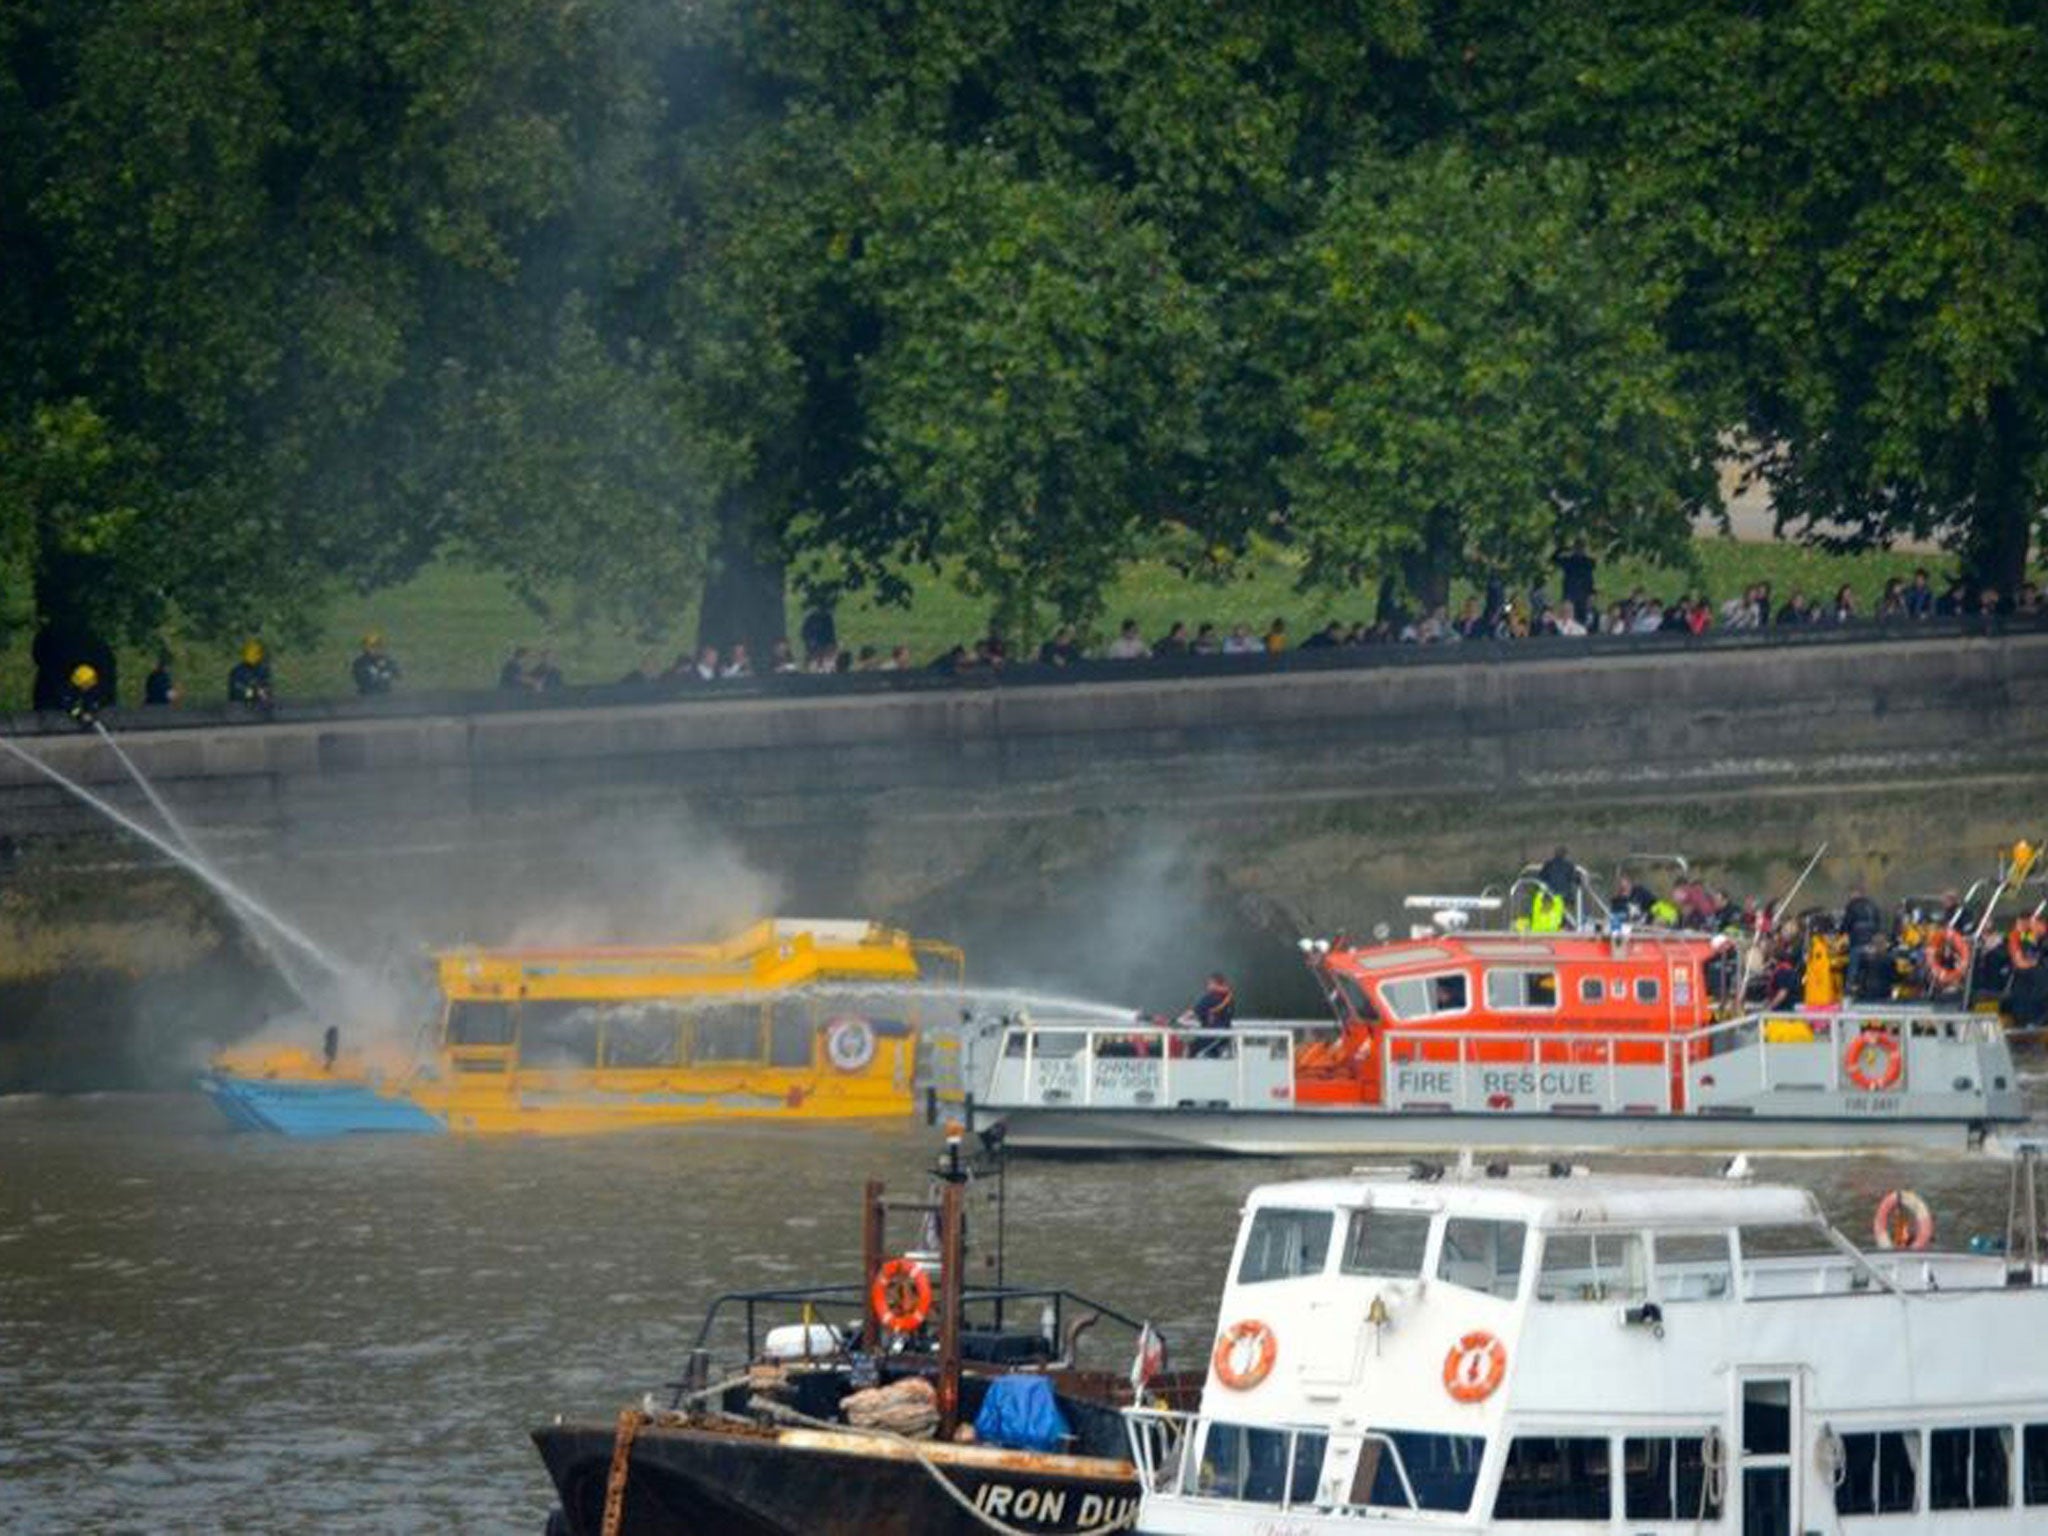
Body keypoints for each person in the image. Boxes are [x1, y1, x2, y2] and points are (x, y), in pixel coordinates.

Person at [1555, 540, 1596, 624]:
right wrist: (1562, 549)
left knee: (1582, 619)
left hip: (1583, 595)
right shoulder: (1568, 560)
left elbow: (1590, 579)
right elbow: (1554, 559)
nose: (1579, 550)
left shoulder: (1589, 562)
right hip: (1570, 594)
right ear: (1574, 549)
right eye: (1577, 548)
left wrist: (1591, 593)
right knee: (1569, 618)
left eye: (1581, 548)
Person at [227, 640, 274, 713]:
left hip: (260, 710)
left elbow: (266, 690)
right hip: (240, 709)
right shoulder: (237, 672)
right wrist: (253, 691)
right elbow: (236, 693)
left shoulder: (263, 670)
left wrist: (263, 693)